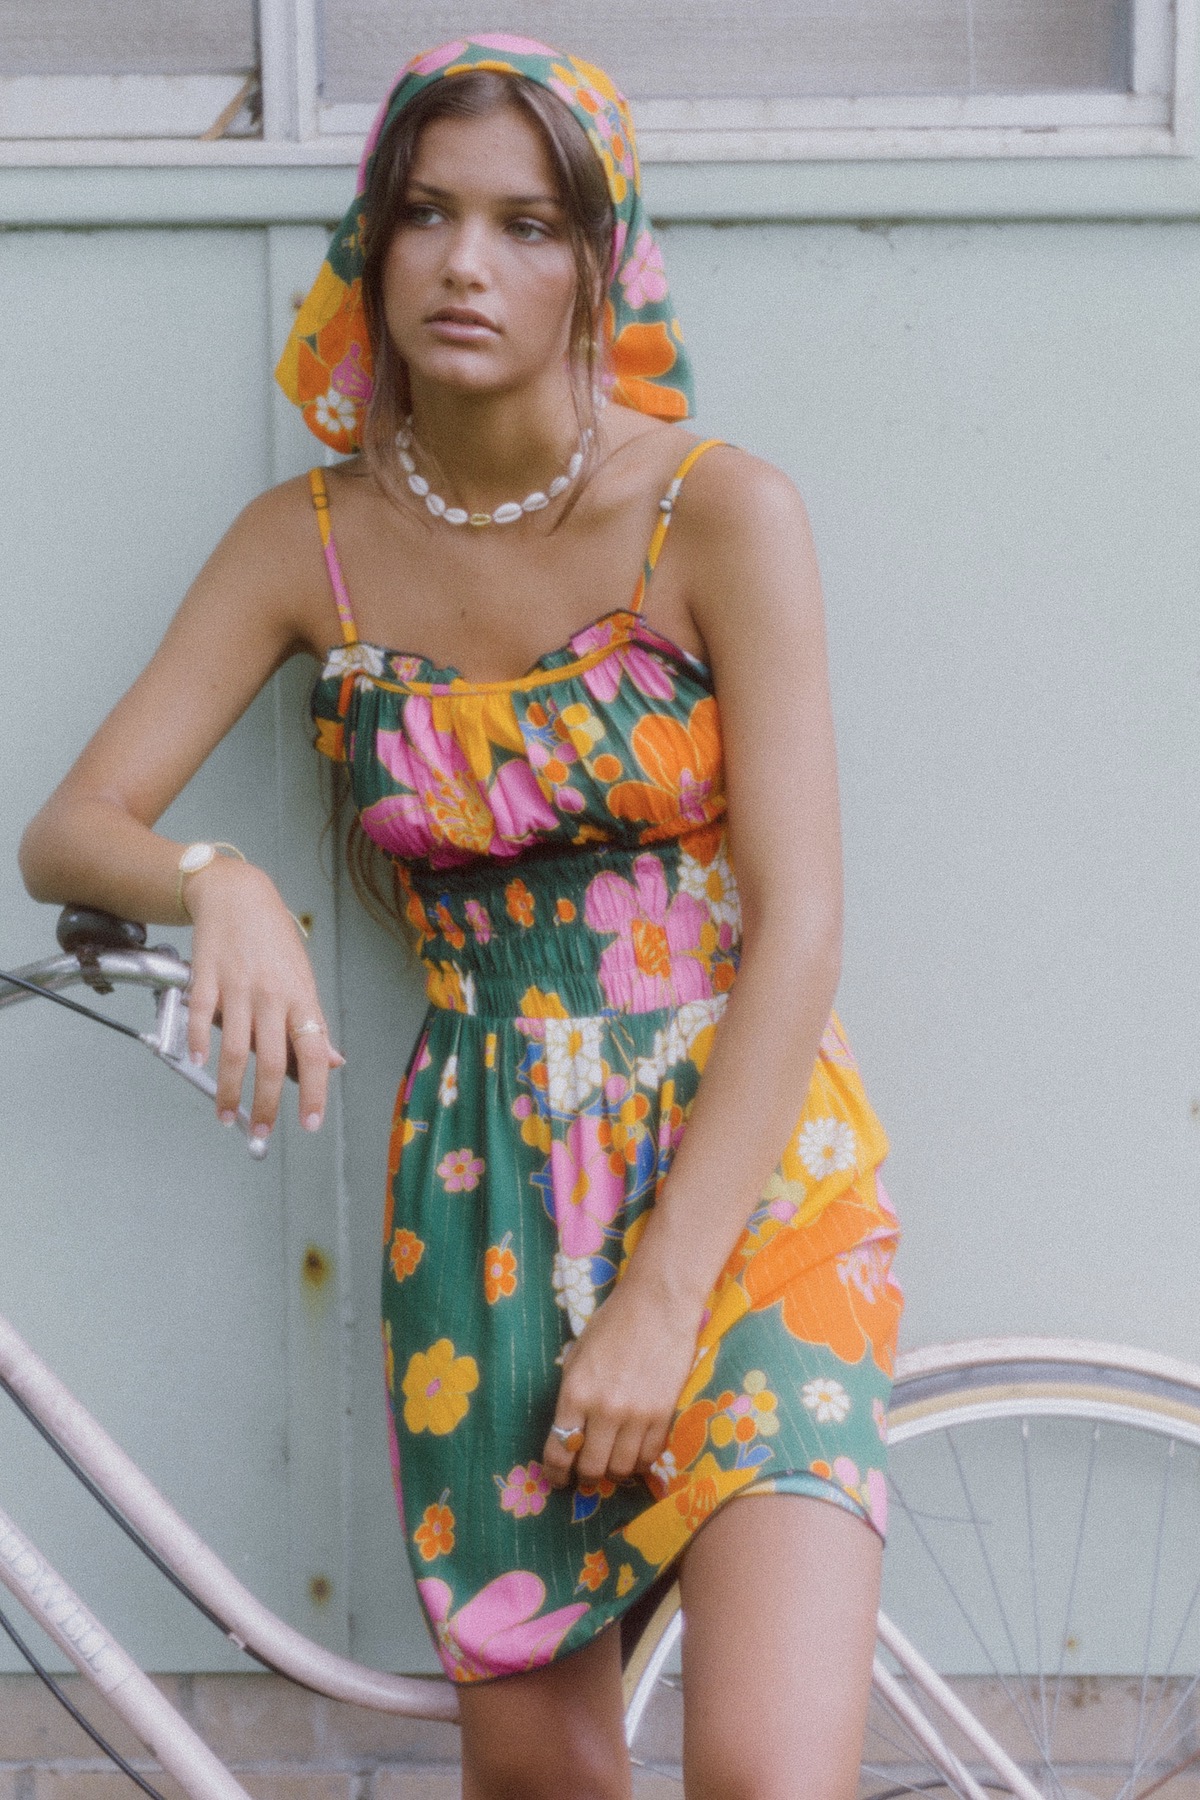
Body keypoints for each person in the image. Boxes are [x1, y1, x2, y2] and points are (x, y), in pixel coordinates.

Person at [19, 35, 903, 1800]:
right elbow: (71, 830)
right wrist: (223, 883)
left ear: (602, 261)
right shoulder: (309, 543)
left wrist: (660, 1301)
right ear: (372, 245)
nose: (464, 265)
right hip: (485, 1189)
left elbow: (803, 926)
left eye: (526, 225)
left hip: (744, 1173)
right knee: (546, 1782)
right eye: (424, 215)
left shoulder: (720, 512)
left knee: (761, 1775)